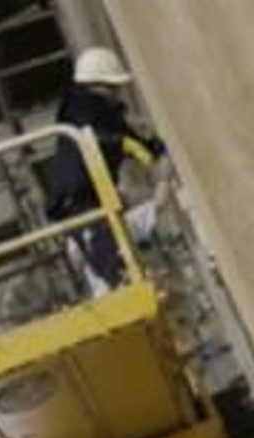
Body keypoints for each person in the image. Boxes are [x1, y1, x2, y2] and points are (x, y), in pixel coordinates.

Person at [46, 46, 168, 292]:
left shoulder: (100, 111)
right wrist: (125, 144)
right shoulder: (78, 109)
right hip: (77, 202)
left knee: (109, 244)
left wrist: (152, 148)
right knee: (108, 252)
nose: (117, 93)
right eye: (113, 87)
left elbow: (125, 137)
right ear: (97, 85)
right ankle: (127, 280)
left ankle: (130, 279)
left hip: (91, 200)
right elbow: (97, 136)